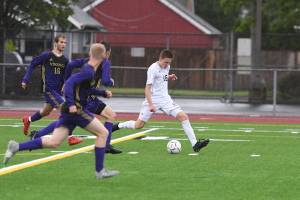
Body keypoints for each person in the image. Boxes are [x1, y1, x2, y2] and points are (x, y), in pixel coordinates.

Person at [4, 43, 119, 179]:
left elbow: (83, 89)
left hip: (70, 111)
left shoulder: (89, 69)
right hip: (76, 110)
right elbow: (69, 84)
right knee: (103, 133)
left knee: (54, 142)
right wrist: (71, 103)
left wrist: (103, 93)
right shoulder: (89, 71)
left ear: (90, 54)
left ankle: (16, 147)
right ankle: (100, 171)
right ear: (104, 55)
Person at [29, 41, 122, 154]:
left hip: (89, 97)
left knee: (109, 115)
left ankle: (37, 135)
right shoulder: (105, 61)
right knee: (67, 121)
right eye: (108, 52)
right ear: (106, 52)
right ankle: (105, 145)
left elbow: (71, 65)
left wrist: (66, 80)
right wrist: (111, 82)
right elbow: (107, 81)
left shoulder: (88, 60)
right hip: (87, 99)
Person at [112, 49, 209, 152]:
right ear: (160, 59)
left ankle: (195, 144)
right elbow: (147, 89)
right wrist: (151, 105)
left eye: (169, 63)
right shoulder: (152, 68)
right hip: (152, 100)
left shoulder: (167, 67)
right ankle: (118, 125)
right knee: (138, 125)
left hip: (165, 100)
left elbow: (160, 77)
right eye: (166, 62)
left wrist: (169, 76)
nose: (167, 65)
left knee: (183, 116)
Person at [21, 34, 82, 145]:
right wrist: (25, 79)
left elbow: (67, 76)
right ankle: (71, 137)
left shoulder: (65, 60)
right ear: (55, 43)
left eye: (65, 43)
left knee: (45, 112)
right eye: (61, 42)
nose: (63, 45)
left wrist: (66, 84)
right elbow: (33, 64)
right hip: (49, 89)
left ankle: (28, 121)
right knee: (66, 110)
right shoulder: (47, 56)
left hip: (57, 91)